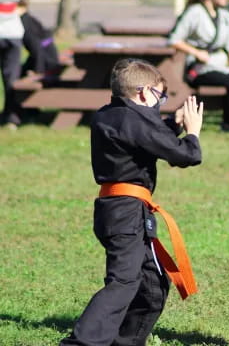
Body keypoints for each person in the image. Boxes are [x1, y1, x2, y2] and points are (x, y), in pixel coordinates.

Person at [60, 58, 203, 346]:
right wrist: (193, 132)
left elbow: (144, 138)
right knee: (124, 281)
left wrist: (170, 126)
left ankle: (124, 341)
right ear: (142, 92)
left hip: (117, 210)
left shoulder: (108, 114)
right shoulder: (133, 120)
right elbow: (185, 156)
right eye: (159, 97)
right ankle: (80, 343)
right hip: (126, 213)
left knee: (151, 285)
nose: (159, 104)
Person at [168, 0, 229, 133]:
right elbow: (174, 39)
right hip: (199, 70)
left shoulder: (224, 14)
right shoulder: (194, 12)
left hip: (221, 68)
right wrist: (196, 52)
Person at [0, 0, 32, 129]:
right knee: (11, 77)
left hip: (10, 30)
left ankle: (10, 115)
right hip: (12, 30)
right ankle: (12, 117)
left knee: (11, 78)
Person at [17, 0, 62, 78]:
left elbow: (37, 49)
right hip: (47, 56)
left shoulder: (24, 25)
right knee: (19, 72)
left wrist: (38, 72)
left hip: (47, 61)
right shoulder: (27, 18)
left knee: (18, 76)